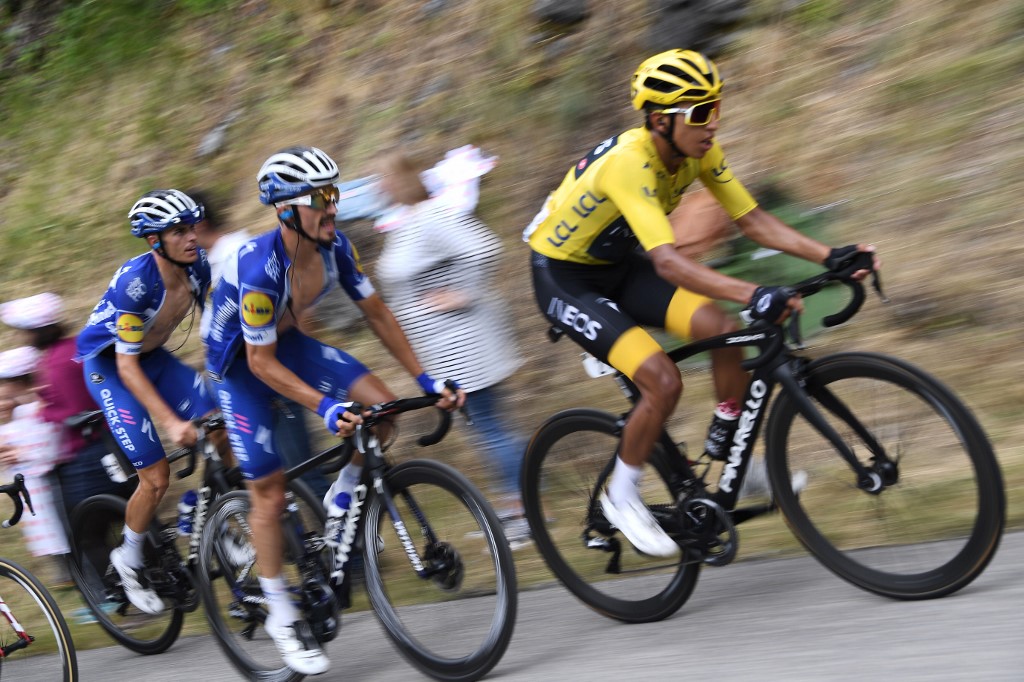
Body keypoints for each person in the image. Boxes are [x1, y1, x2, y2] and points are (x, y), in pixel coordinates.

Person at [524, 49, 877, 558]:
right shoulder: (630, 163)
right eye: (700, 112)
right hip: (564, 279)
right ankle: (621, 497)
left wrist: (832, 254)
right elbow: (668, 263)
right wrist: (756, 291)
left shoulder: (697, 152)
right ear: (660, 120)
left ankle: (729, 449)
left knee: (720, 324)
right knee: (662, 381)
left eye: (716, 108)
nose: (712, 123)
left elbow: (752, 220)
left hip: (619, 267)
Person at [204, 145, 463, 675]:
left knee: (382, 412)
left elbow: (379, 313)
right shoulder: (259, 268)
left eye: (334, 194)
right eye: (320, 198)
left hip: (288, 341)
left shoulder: (337, 247)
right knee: (270, 493)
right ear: (286, 211)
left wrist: (425, 377)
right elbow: (259, 362)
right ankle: (279, 612)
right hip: (239, 366)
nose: (333, 206)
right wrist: (322, 406)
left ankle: (340, 495)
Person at [373, 150, 529, 546]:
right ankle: (515, 501)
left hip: (465, 343)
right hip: (444, 347)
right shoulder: (409, 223)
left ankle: (521, 514)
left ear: (400, 179)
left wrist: (462, 294)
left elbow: (485, 247)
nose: (378, 186)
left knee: (490, 428)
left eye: (383, 177)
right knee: (486, 428)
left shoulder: (430, 216)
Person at [76, 188, 220, 614]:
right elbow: (127, 369)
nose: (192, 237)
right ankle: (128, 558)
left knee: (223, 424)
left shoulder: (199, 267)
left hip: (153, 358)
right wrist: (171, 422)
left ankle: (207, 509)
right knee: (156, 477)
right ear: (155, 241)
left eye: (192, 227)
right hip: (111, 368)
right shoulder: (134, 282)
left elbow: (214, 332)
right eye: (179, 231)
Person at [191, 189, 329, 500]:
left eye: (181, 230)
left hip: (266, 369)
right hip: (234, 372)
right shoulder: (207, 262)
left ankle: (355, 546)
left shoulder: (235, 251)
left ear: (198, 225)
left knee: (301, 471)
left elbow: (293, 306)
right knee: (270, 475)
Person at [1, 292, 133, 517]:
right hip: (116, 438)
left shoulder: (55, 365)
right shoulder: (73, 346)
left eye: (24, 333)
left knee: (83, 529)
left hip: (90, 451)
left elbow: (74, 411)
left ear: (35, 333)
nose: (21, 338)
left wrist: (43, 413)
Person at [0, 346, 71, 586]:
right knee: (52, 538)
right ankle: (70, 579)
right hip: (33, 490)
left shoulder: (41, 408)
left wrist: (18, 453)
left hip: (53, 486)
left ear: (16, 382)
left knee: (67, 536)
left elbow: (50, 449)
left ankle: (87, 585)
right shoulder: (16, 413)